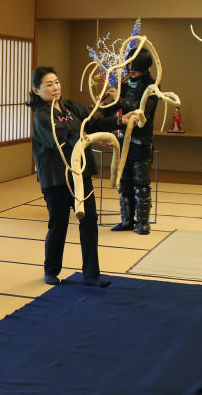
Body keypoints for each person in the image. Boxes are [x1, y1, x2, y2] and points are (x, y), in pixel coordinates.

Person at [30, 66, 132, 287]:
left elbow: (92, 122)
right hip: (56, 179)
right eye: (49, 84)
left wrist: (119, 122)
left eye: (56, 82)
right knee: (59, 225)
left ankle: (91, 275)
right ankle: (51, 270)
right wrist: (93, 138)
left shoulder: (70, 107)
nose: (55, 87)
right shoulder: (41, 117)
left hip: (81, 174)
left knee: (89, 223)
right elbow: (64, 139)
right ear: (36, 91)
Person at [111, 48, 159, 234]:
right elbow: (115, 108)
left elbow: (141, 111)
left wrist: (119, 99)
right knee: (124, 183)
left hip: (141, 142)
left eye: (133, 64)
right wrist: (105, 104)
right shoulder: (124, 82)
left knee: (141, 185)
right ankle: (126, 221)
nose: (130, 68)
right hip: (123, 141)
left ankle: (143, 223)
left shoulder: (152, 86)